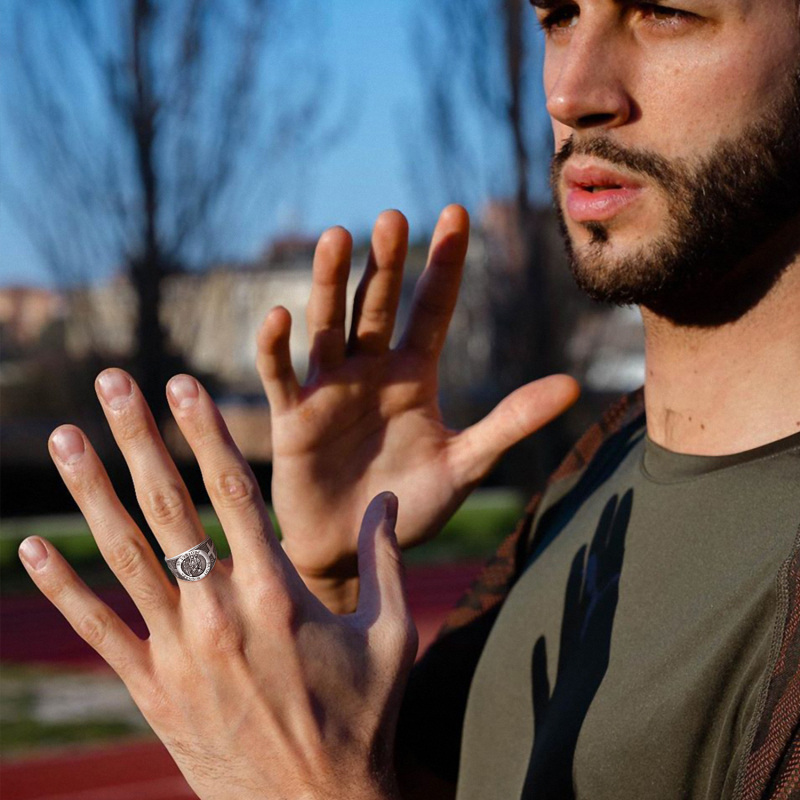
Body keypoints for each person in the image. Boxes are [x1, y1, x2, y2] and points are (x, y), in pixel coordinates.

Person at [18, 0, 800, 797]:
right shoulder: (601, 464)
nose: (571, 92)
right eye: (560, 16)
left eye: (665, 12)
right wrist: (327, 583)